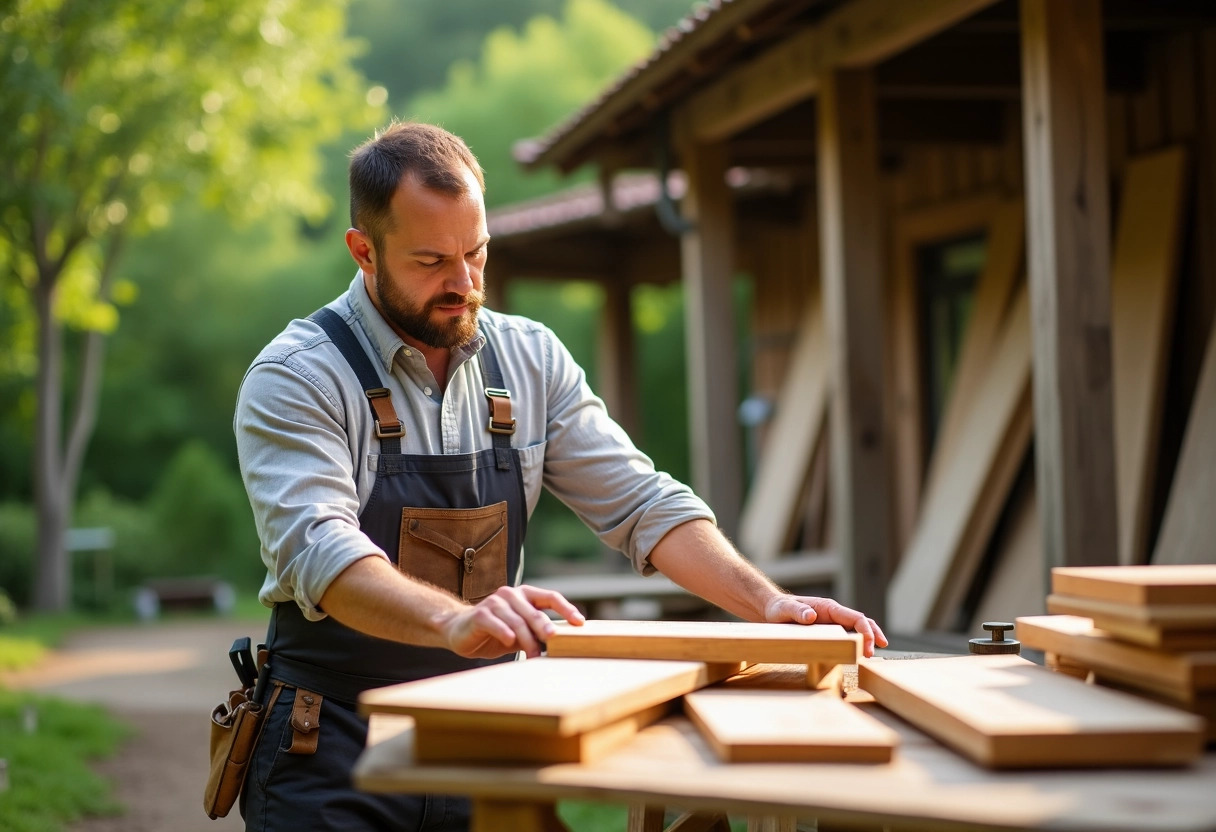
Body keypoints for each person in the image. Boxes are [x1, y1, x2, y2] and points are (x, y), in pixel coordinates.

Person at [232, 120, 887, 831]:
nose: (463, 284)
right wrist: (457, 619)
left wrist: (766, 604)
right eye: (430, 261)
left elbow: (643, 503)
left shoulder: (529, 360)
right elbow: (321, 552)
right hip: (329, 745)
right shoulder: (297, 376)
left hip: (483, 734)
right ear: (364, 251)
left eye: (476, 254)